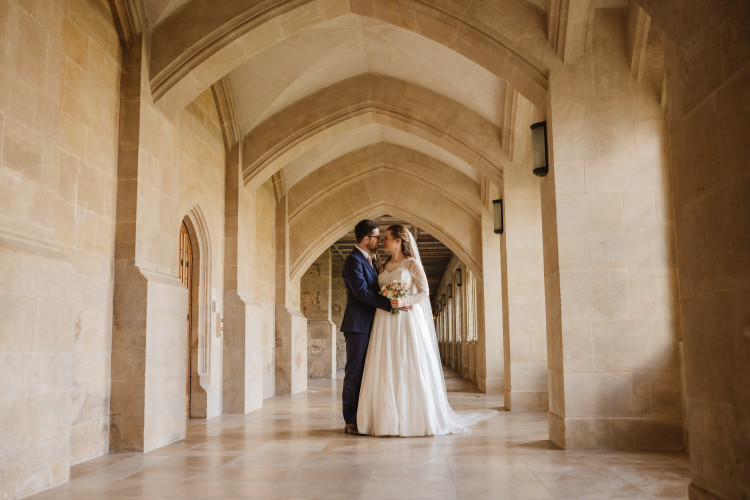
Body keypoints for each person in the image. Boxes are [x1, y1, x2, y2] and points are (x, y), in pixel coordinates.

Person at [356, 224, 495, 436]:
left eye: (386, 237)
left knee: (408, 362)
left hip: (407, 318)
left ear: (399, 240)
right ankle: (385, 419)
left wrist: (402, 300)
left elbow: (424, 292)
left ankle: (414, 418)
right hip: (384, 320)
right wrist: (388, 301)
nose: (382, 241)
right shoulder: (382, 265)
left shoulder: (412, 264)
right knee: (385, 364)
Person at [340, 220, 393, 436]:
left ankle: (364, 417)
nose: (379, 241)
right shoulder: (353, 261)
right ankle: (350, 420)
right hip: (358, 326)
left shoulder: (370, 260)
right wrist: (390, 303)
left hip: (372, 325)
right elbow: (360, 292)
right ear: (366, 238)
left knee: (368, 373)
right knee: (355, 372)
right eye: (377, 237)